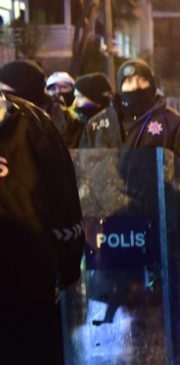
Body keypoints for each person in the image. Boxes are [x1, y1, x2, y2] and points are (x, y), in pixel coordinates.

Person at [0, 90, 84, 364]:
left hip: (27, 276)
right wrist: (68, 268)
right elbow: (63, 201)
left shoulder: (31, 121)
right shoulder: (32, 120)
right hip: (28, 278)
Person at [79, 59, 180, 164]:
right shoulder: (96, 125)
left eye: (142, 80)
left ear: (152, 84)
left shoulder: (173, 123)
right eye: (128, 81)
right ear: (120, 86)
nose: (135, 86)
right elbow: (85, 167)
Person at [0, 61, 82, 147]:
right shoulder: (6, 114)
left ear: (24, 91)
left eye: (2, 89)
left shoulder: (59, 121)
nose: (58, 91)